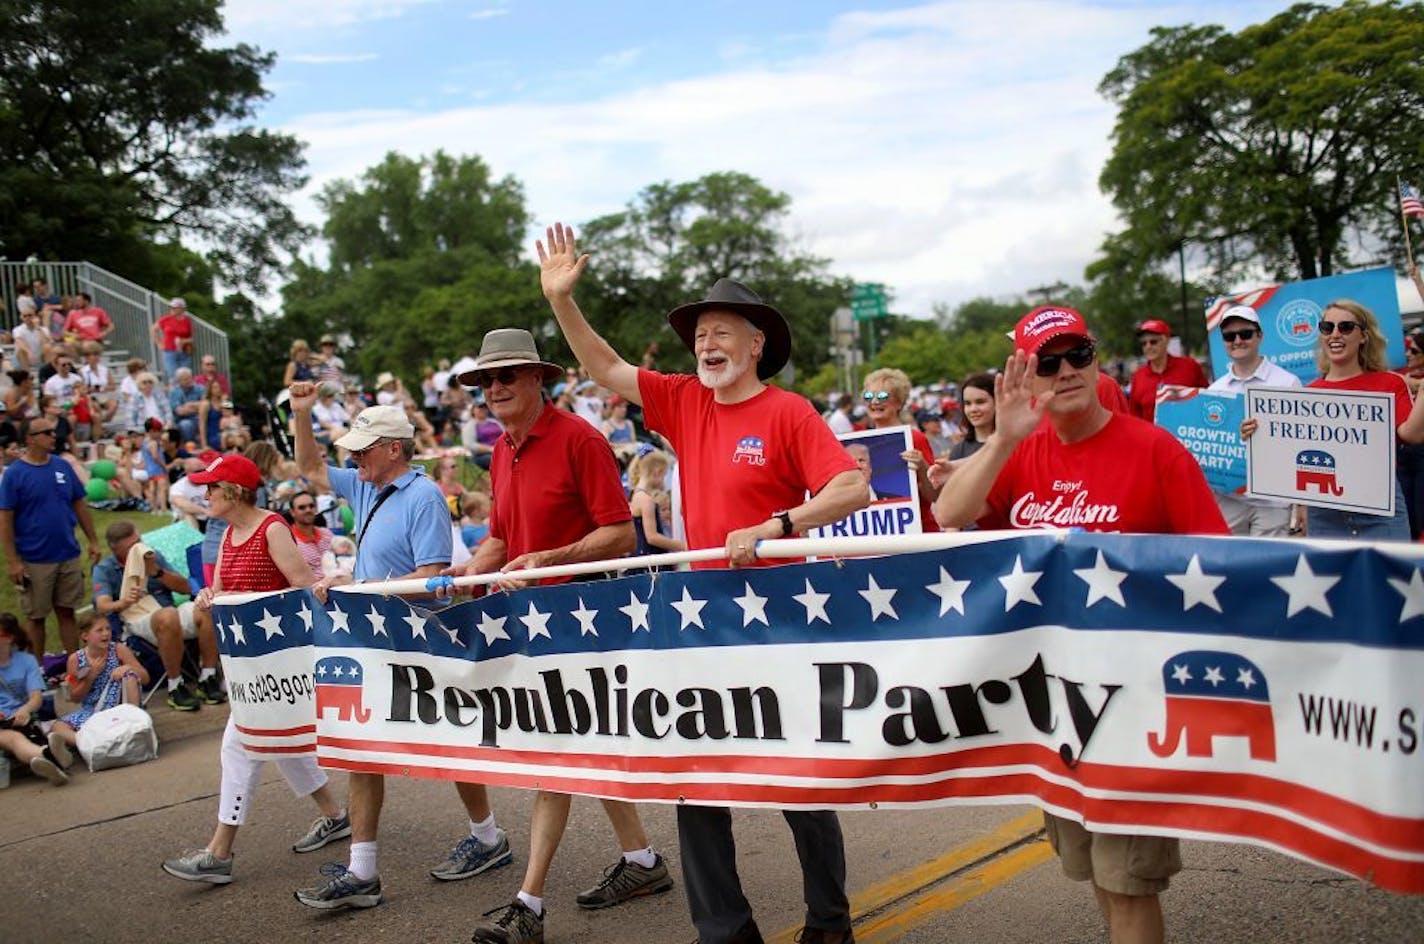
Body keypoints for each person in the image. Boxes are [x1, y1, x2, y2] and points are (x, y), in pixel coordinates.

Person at [538, 222, 869, 944]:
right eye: (700, 334)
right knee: (695, 777)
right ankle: (724, 930)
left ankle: (829, 924)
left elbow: (852, 488)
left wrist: (778, 525)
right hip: (701, 622)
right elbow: (605, 368)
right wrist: (562, 301)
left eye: (722, 331)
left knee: (799, 782)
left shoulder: (788, 411)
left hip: (782, 624)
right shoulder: (685, 401)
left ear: (757, 345)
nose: (707, 343)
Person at [934, 305, 1229, 944]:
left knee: (1127, 882)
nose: (1066, 371)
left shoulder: (1155, 449)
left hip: (1131, 700)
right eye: (1048, 362)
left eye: (1079, 355)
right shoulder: (1020, 448)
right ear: (1025, 375)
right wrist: (1004, 439)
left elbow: (1221, 565)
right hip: (1050, 706)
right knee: (1094, 867)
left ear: (1097, 362)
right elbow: (951, 511)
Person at [449, 328, 671, 944]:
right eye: (485, 380)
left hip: (581, 622)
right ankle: (644, 862)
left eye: (506, 377)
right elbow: (501, 536)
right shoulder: (500, 449)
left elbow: (621, 535)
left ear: (537, 379)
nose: (493, 388)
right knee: (583, 752)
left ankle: (530, 903)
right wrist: (468, 569)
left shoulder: (580, 438)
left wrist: (549, 559)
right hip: (529, 623)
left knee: (557, 757)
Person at [287, 387, 467, 911]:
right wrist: (301, 411)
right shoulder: (369, 484)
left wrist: (357, 586)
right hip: (373, 636)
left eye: (364, 448)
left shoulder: (424, 494)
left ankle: (486, 835)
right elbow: (309, 468)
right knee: (359, 751)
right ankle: (361, 870)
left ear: (394, 448)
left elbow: (433, 577)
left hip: (419, 639)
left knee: (456, 746)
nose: (354, 457)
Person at [161, 454, 351, 885]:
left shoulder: (273, 528)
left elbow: (303, 585)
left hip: (279, 658)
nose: (203, 494)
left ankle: (219, 852)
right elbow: (228, 589)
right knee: (277, 742)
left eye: (211, 487)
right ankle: (334, 814)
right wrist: (211, 595)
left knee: (240, 744)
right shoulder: (229, 534)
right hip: (252, 663)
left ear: (233, 491)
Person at [1242, 299, 1424, 541]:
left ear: (1364, 336)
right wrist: (1255, 435)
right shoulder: (1308, 395)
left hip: (1382, 512)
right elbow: (1291, 460)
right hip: (1325, 515)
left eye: (1346, 327)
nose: (1335, 334)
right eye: (1327, 328)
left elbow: (1412, 434)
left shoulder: (1389, 383)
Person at [91, 519, 225, 711]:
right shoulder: (105, 569)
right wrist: (123, 602)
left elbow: (186, 588)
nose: (139, 547)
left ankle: (208, 676)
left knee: (207, 606)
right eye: (131, 546)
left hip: (168, 612)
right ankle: (175, 685)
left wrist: (157, 572)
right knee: (168, 615)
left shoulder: (151, 556)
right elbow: (102, 605)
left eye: (139, 541)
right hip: (137, 619)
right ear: (116, 549)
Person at [0, 414, 101, 655]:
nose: (53, 436)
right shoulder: (15, 474)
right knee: (37, 617)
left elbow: (79, 504)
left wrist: (93, 540)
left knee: (67, 612)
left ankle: (74, 667)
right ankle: (37, 673)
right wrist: (13, 561)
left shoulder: (62, 466)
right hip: (34, 558)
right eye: (46, 432)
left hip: (67, 552)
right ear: (29, 439)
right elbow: (5, 518)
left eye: (53, 431)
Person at [1205, 305, 1302, 537]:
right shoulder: (1214, 389)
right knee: (1229, 565)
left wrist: (1301, 505)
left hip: (1274, 499)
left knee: (1270, 566)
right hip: (1228, 498)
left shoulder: (1287, 383)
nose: (1237, 340)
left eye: (1245, 334)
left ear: (1260, 336)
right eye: (1229, 336)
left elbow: (1299, 445)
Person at [45, 615, 147, 771]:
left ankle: (132, 731)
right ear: (85, 636)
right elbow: (74, 697)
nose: (106, 633)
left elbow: (145, 677)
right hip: (94, 711)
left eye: (107, 629)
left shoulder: (119, 650)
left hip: (121, 708)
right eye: (99, 630)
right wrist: (90, 676)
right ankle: (87, 744)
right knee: (57, 727)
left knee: (130, 676)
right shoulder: (75, 660)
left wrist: (128, 668)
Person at [862, 367, 939, 531]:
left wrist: (922, 466)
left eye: (882, 396)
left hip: (918, 531)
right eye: (868, 396)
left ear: (899, 403)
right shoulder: (859, 444)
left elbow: (934, 495)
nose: (874, 401)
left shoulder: (915, 438)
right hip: (878, 534)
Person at [0, 613, 69, 786]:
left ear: (9, 638)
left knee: (45, 727)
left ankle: (50, 760)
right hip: (3, 724)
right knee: (14, 739)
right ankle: (48, 755)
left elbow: (36, 698)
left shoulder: (27, 661)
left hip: (23, 718)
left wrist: (24, 710)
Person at [1127, 319, 1207, 422]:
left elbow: (1206, 400)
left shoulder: (1190, 366)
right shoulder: (1138, 377)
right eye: (1144, 343)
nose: (1148, 347)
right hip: (1152, 437)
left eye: (1153, 342)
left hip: (1185, 434)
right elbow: (1134, 417)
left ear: (1166, 341)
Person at [948, 372, 996, 462]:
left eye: (980, 402)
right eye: (968, 403)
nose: (973, 409)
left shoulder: (1013, 445)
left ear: (997, 402)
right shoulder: (959, 451)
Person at [287, 490, 334, 580]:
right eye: (302, 507)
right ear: (292, 512)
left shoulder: (327, 533)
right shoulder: (289, 541)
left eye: (311, 506)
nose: (308, 510)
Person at [151, 298, 194, 379]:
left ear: (182, 309)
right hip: (169, 351)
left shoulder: (187, 321)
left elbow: (191, 338)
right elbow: (153, 330)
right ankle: (175, 391)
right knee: (173, 376)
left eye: (175, 308)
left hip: (184, 351)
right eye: (172, 307)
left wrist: (183, 341)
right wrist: (159, 343)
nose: (172, 309)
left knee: (186, 376)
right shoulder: (166, 319)